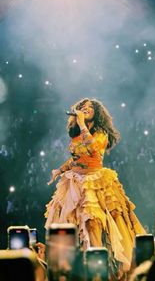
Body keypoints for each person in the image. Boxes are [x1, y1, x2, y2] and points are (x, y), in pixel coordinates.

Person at [44, 98, 146, 276]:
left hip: (95, 182)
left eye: (90, 108)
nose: (85, 109)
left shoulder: (101, 132)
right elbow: (76, 158)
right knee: (71, 226)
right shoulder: (76, 135)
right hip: (75, 182)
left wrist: (83, 124)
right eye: (83, 107)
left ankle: (99, 271)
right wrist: (59, 170)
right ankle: (78, 269)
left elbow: (93, 149)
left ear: (97, 113)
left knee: (93, 223)